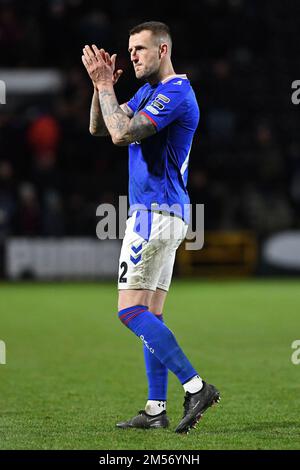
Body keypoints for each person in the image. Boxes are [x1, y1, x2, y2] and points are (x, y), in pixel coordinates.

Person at [82, 21, 220, 434]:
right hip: (162, 215)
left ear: (163, 50)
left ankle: (196, 386)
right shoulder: (147, 92)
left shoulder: (176, 92)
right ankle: (155, 409)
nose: (133, 56)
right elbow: (99, 127)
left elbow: (122, 134)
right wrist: (98, 87)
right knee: (151, 314)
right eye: (129, 49)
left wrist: (108, 88)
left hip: (154, 215)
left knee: (129, 310)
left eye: (140, 49)